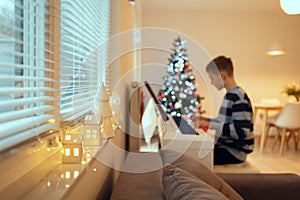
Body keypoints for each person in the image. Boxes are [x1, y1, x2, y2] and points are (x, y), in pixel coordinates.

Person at [195, 55, 254, 165]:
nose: (211, 82)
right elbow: (222, 123)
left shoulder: (238, 97)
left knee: (195, 158)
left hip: (234, 152)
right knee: (194, 151)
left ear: (222, 76)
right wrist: (204, 119)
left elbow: (241, 131)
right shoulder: (230, 95)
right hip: (226, 147)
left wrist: (209, 125)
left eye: (212, 78)